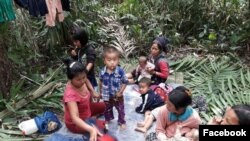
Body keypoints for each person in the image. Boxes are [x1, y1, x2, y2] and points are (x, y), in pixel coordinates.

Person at [63, 59, 106, 141]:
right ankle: (91, 123)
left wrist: (92, 91)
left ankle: (92, 119)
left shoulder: (81, 78)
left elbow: (86, 80)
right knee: (101, 130)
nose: (82, 81)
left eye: (84, 77)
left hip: (87, 109)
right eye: (79, 79)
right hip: (75, 123)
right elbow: (75, 118)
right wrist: (90, 129)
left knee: (105, 105)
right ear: (70, 79)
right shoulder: (70, 95)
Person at [99, 47, 129, 129]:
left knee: (120, 109)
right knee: (107, 109)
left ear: (118, 60)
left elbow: (125, 81)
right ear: (104, 61)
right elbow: (100, 81)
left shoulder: (120, 71)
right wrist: (100, 92)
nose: (112, 62)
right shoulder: (102, 71)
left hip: (117, 96)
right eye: (109, 60)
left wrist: (121, 92)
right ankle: (108, 119)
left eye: (114, 60)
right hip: (106, 96)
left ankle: (121, 121)